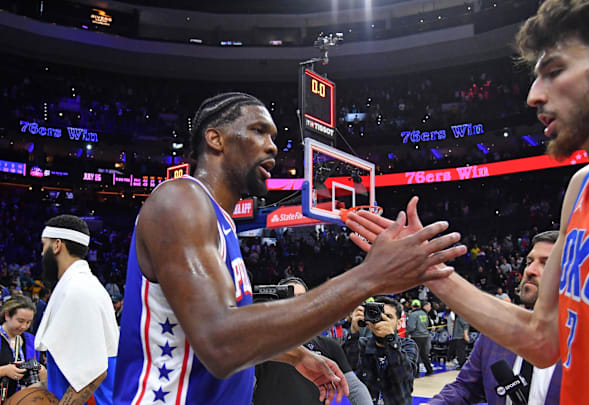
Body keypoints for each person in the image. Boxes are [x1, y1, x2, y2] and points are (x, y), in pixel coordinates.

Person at [345, 0, 589, 402]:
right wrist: (431, 269)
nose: (533, 95)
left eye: (554, 71)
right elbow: (542, 339)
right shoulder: (580, 188)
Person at [114, 92, 466, 405]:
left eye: (273, 136)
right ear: (215, 138)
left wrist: (294, 354)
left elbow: (216, 329)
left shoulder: (222, 223)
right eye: (258, 131)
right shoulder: (181, 200)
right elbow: (220, 341)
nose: (272, 146)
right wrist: (369, 277)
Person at [430, 231, 562, 405]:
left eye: (546, 264)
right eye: (529, 262)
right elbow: (465, 388)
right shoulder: (496, 333)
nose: (530, 270)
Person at [35, 215, 119, 405]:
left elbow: (94, 373)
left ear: (57, 245)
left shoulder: (78, 290)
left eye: (44, 245)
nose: (41, 254)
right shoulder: (78, 285)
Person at [254, 277, 372, 405]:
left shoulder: (328, 345)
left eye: (301, 297)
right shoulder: (261, 346)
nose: (295, 302)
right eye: (289, 296)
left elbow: (354, 389)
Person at [344, 297, 417, 405]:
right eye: (379, 316)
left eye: (388, 317)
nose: (383, 321)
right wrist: (353, 332)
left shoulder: (407, 345)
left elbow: (404, 376)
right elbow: (348, 366)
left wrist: (390, 340)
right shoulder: (361, 344)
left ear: (398, 324)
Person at [0, 296, 46, 399]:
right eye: (20, 321)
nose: (24, 326)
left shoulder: (31, 340)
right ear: (7, 315)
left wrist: (42, 372)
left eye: (28, 322)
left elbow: (43, 373)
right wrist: (4, 370)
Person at [405, 300, 432, 376]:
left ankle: (416, 372)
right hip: (425, 336)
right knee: (424, 354)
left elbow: (411, 327)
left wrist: (407, 332)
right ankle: (429, 369)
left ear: (412, 306)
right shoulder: (424, 314)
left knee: (415, 354)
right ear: (420, 306)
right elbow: (428, 324)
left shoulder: (413, 315)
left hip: (416, 336)